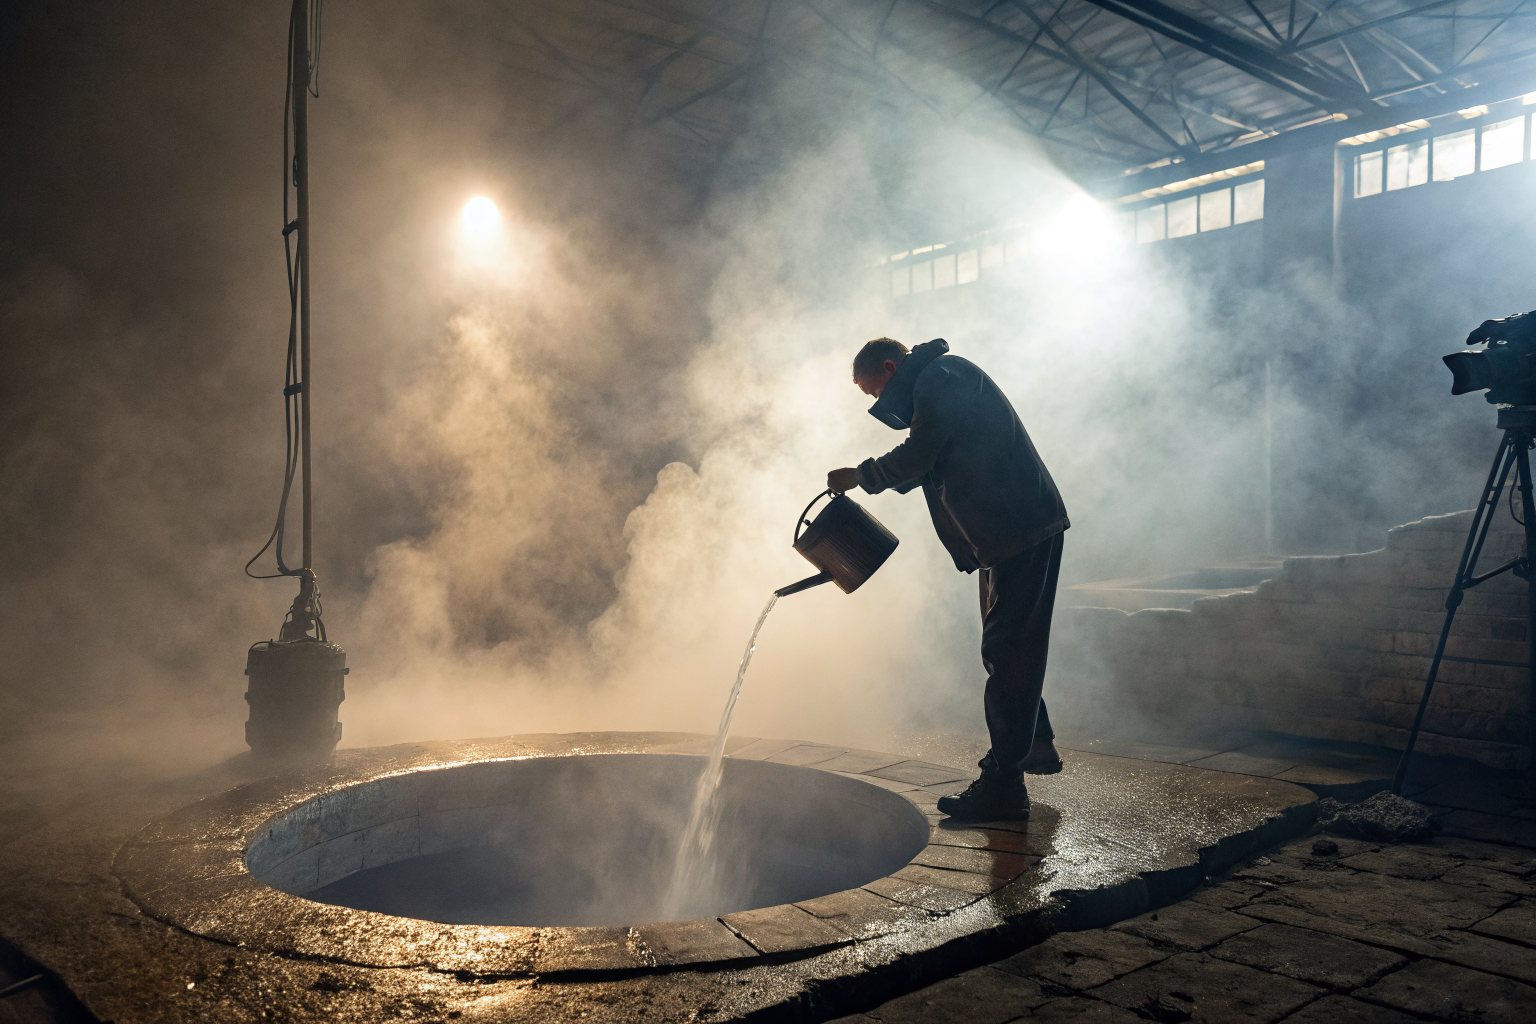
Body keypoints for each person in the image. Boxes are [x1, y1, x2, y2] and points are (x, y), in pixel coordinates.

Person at [827, 337, 1068, 821]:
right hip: (1005, 534)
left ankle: (1004, 783)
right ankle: (1033, 745)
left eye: (874, 393)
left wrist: (860, 476)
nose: (878, 404)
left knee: (1006, 651)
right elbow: (931, 464)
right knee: (1009, 648)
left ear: (891, 367)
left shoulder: (943, 377)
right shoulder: (940, 382)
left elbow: (919, 455)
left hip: (1019, 528)